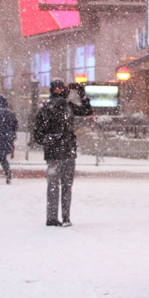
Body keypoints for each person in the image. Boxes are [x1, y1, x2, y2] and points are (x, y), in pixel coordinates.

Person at [34, 79, 92, 227]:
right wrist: (52, 138)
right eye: (58, 89)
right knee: (62, 186)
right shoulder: (56, 108)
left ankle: (60, 217)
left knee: (61, 186)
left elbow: (86, 111)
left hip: (62, 152)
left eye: (62, 89)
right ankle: (58, 217)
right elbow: (38, 135)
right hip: (61, 152)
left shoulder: (64, 107)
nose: (60, 91)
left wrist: (82, 94)